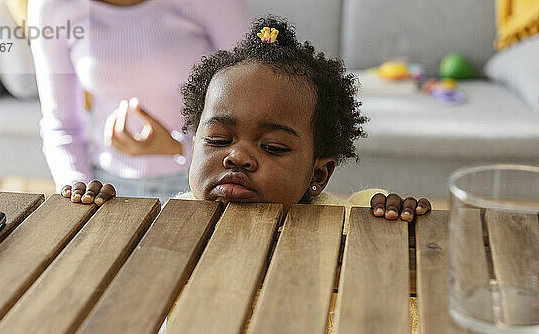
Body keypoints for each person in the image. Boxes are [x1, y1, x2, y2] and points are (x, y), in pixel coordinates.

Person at [60, 15, 432, 222]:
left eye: (271, 146)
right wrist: (99, 216)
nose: (236, 157)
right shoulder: (175, 215)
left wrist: (398, 225)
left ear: (318, 174)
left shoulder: (351, 219)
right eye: (218, 140)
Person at [28, 0, 250, 202]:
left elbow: (254, 106)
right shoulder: (50, 7)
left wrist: (180, 147)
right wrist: (80, 188)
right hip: (106, 189)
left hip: (207, 182)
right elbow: (61, 126)